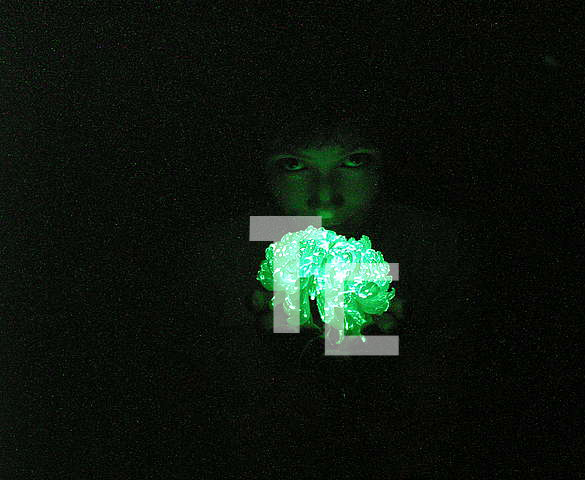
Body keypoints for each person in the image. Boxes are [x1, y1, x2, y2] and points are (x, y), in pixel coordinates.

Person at [169, 106, 492, 475]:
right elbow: (221, 413)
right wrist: (277, 369)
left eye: (353, 161)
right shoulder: (224, 252)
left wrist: (390, 365)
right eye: (294, 165)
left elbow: (446, 405)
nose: (324, 197)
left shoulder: (433, 245)